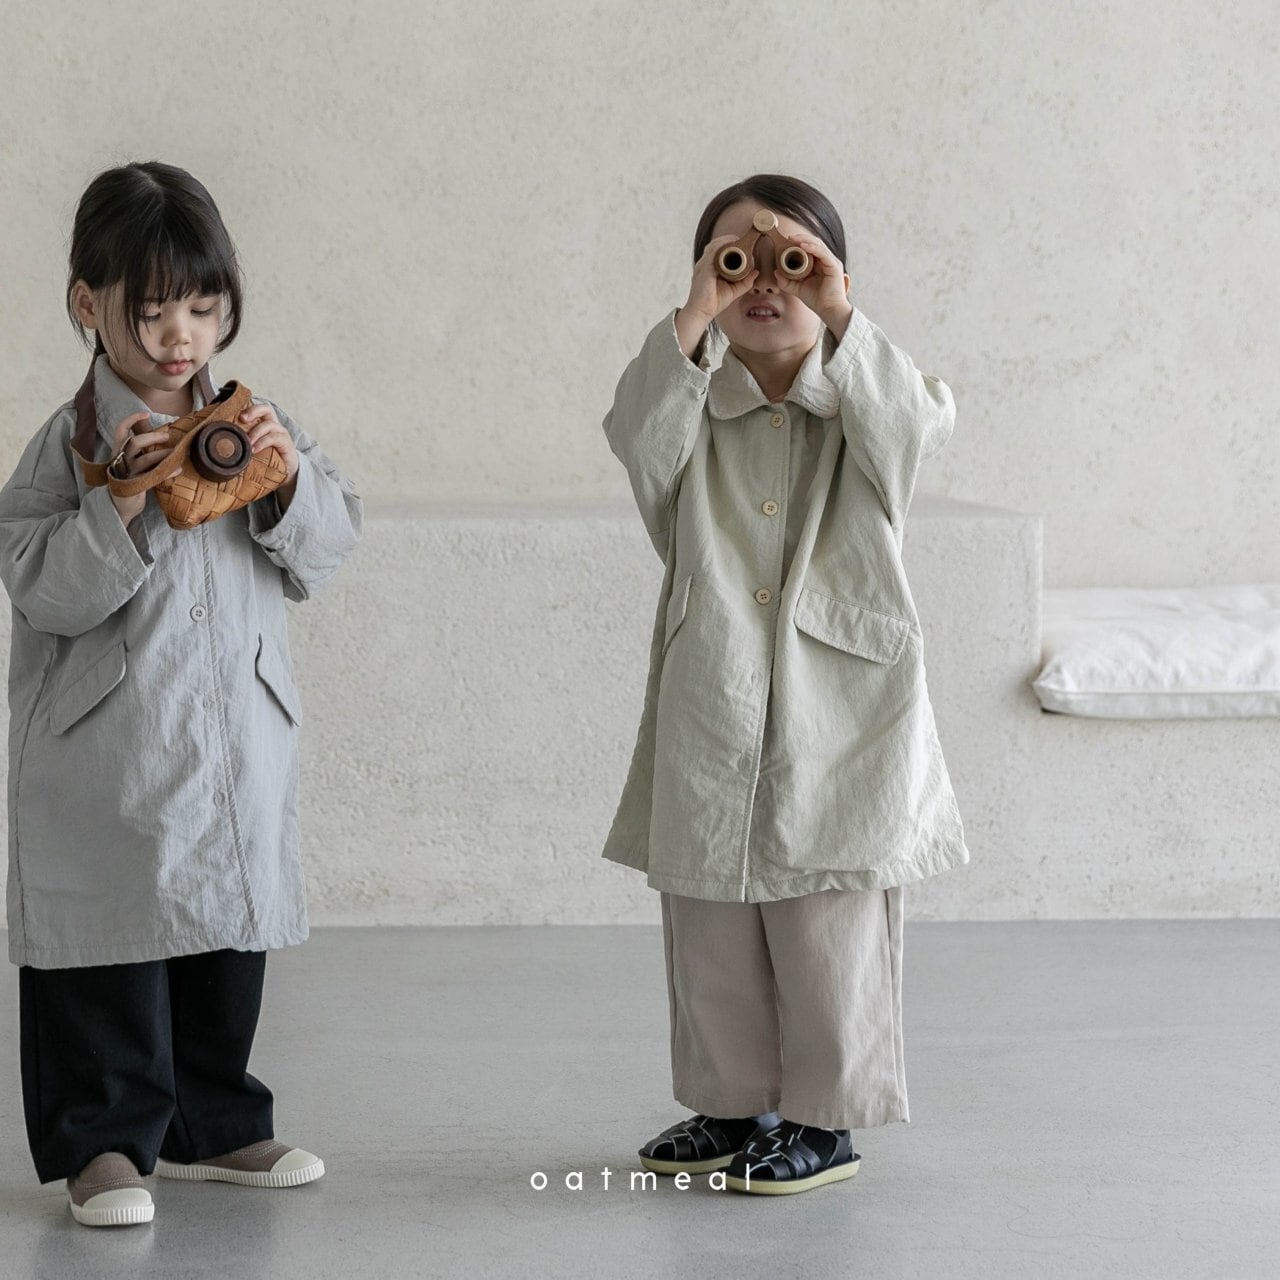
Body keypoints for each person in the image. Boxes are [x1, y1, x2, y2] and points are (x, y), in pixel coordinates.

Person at [0, 161, 362, 1226]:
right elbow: (38, 588)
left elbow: (330, 545)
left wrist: (284, 484)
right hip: (107, 736)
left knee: (224, 931)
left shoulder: (253, 422)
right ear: (88, 304)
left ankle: (215, 1120)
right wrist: (117, 500)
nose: (180, 337)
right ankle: (104, 1142)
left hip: (235, 727)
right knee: (105, 940)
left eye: (203, 309)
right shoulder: (67, 447)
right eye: (152, 309)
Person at [600, 173, 970, 1196]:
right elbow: (634, 434)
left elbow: (913, 425)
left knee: (826, 916)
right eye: (738, 260)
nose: (764, 279)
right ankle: (731, 1102)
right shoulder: (688, 410)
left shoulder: (871, 403)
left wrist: (840, 309)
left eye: (791, 261)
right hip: (713, 685)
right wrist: (694, 314)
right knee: (709, 907)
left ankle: (824, 1118)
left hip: (842, 704)